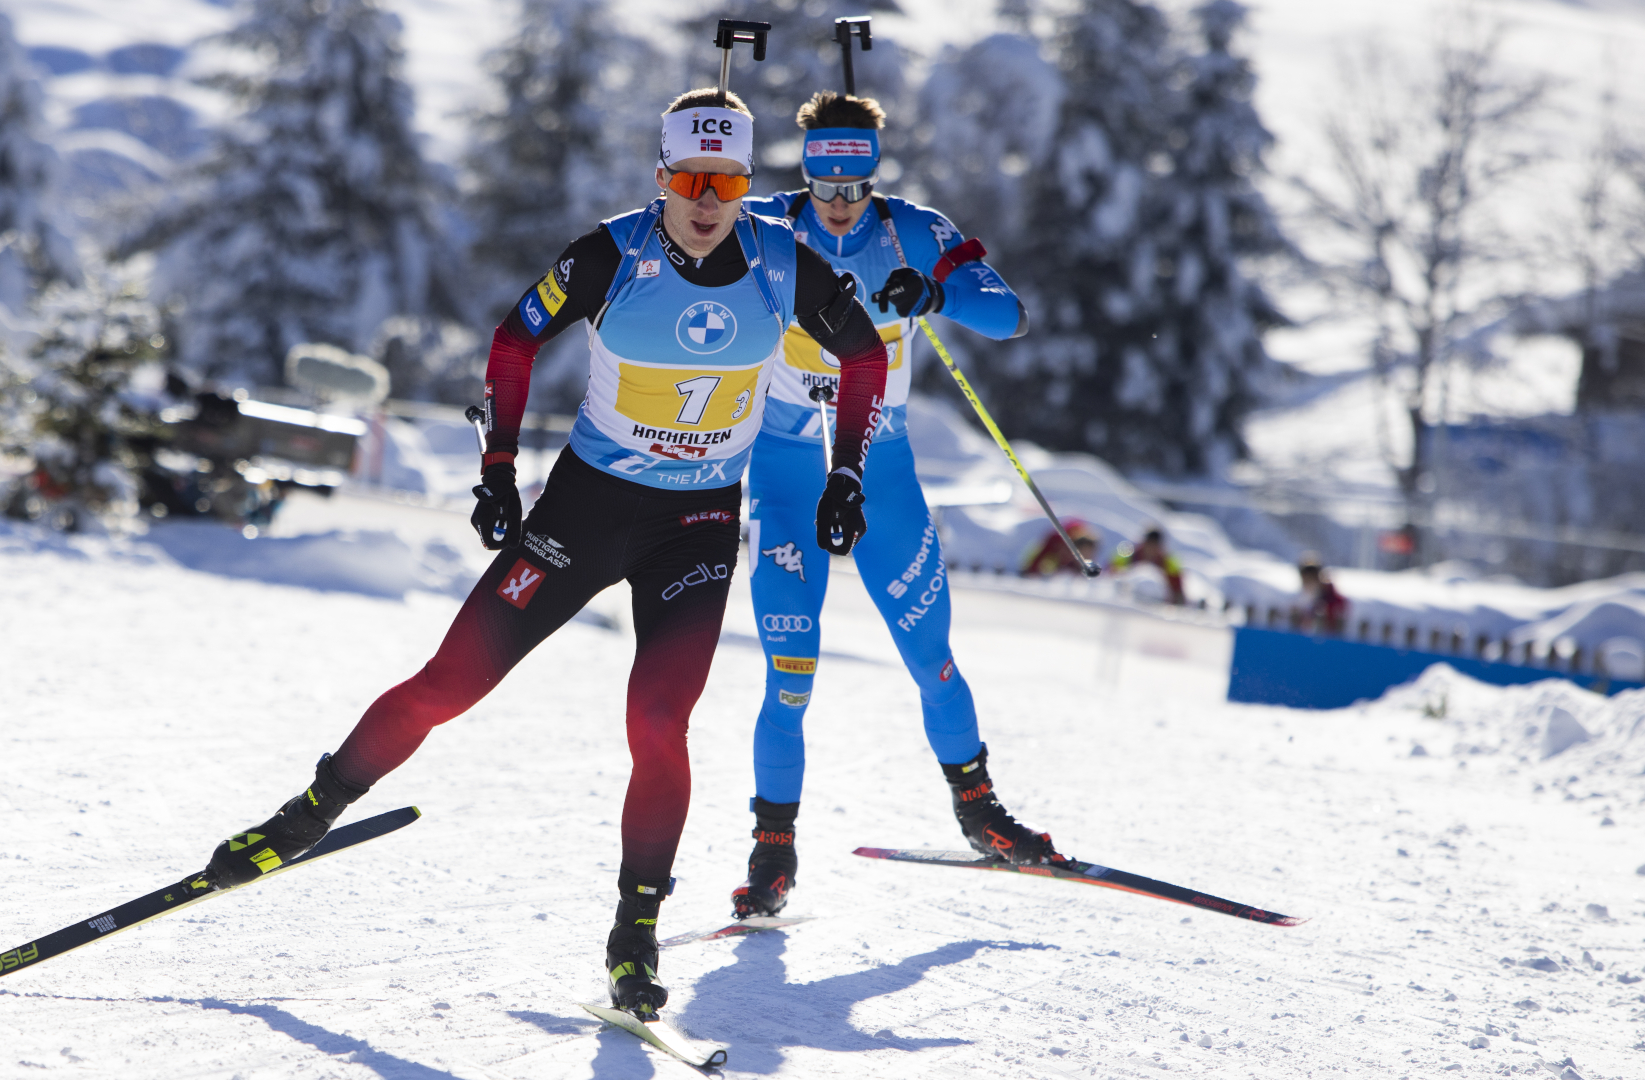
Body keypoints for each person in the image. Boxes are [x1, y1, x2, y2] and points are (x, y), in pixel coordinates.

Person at [199, 89, 889, 1023]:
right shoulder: (613, 253)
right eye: (689, 177)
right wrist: (495, 466)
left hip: (695, 526)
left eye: (725, 181)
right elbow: (515, 338)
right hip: (590, 506)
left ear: (745, 186)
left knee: (659, 724)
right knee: (449, 683)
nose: (706, 198)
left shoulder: (781, 263)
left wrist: (845, 470)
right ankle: (308, 814)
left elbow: (865, 358)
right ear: (661, 178)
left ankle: (634, 936)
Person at [731, 89, 1054, 921]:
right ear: (802, 169)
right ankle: (773, 850)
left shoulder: (913, 228)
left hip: (883, 469)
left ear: (877, 173)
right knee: (788, 673)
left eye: (855, 187)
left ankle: (979, 811)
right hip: (787, 470)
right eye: (824, 185)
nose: (839, 207)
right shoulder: (766, 220)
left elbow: (1010, 315)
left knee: (931, 655)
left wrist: (935, 294)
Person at [1112, 526, 1185, 605]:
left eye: (1155, 545)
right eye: (1149, 544)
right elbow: (1109, 576)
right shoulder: (1127, 556)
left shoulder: (1169, 563)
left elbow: (1178, 592)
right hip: (1126, 600)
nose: (1151, 549)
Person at [1020, 518, 1099, 578]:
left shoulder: (1088, 541)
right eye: (1083, 553)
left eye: (1089, 554)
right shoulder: (1056, 541)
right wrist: (1030, 571)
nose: (1087, 556)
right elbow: (1039, 556)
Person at [1296, 552, 1347, 634]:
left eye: (1312, 576)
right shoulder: (1301, 597)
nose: (1308, 581)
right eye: (1305, 577)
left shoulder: (1331, 599)